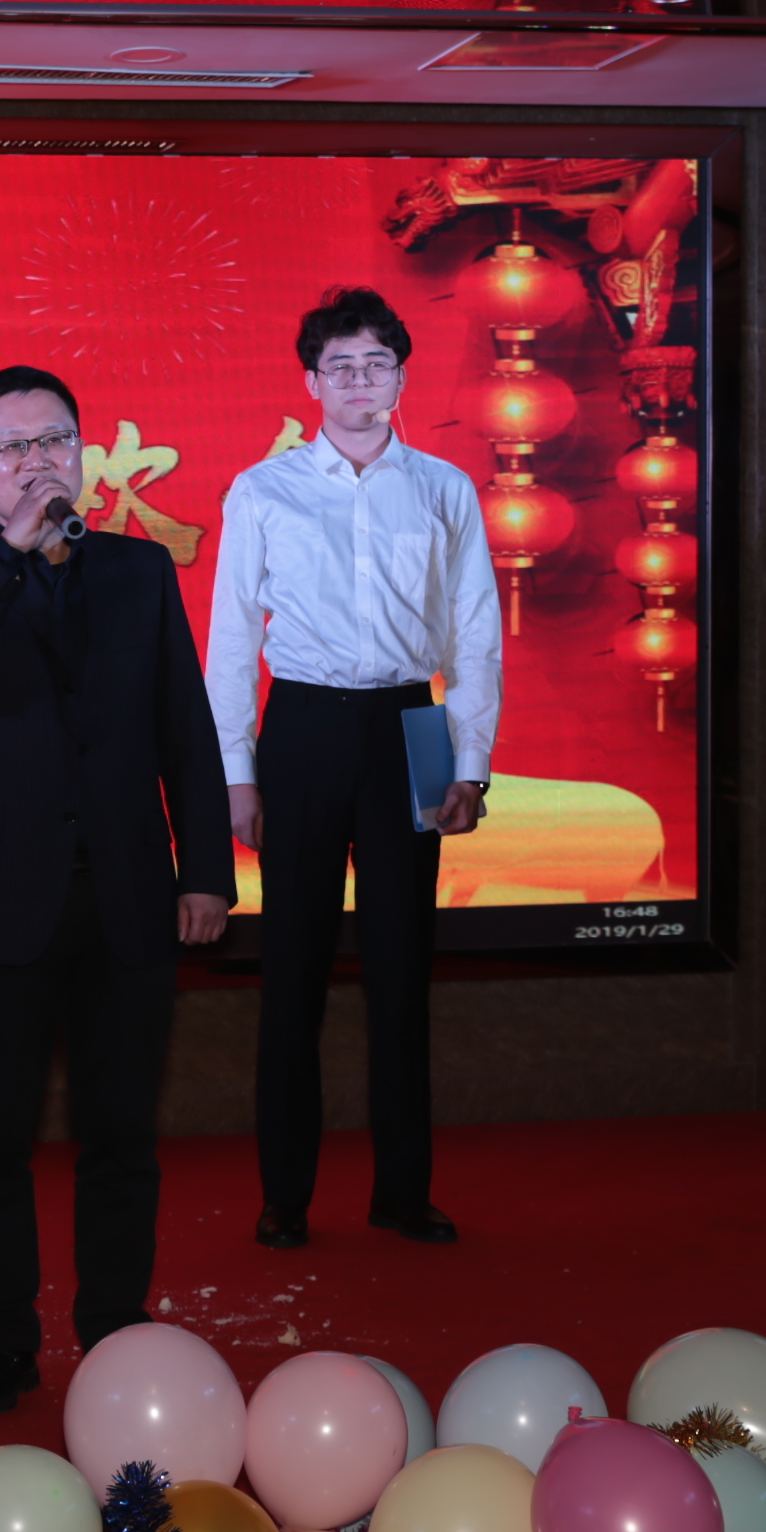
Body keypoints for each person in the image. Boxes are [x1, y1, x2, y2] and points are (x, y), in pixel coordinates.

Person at [0, 365, 237, 1417]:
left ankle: (115, 1331)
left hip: (126, 893)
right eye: (14, 447)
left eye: (55, 441)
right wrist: (10, 551)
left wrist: (207, 869)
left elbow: (184, 724)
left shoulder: (139, 570)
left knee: (121, 1134)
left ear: (83, 452)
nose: (38, 462)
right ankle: (3, 1342)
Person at [203, 287, 502, 1252]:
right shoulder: (264, 489)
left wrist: (470, 761)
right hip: (301, 723)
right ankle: (285, 1194)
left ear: (401, 377)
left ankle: (402, 1192)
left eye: (378, 365)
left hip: (413, 722)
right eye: (341, 367)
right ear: (312, 382)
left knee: (402, 967)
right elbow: (231, 636)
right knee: (292, 964)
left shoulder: (445, 489)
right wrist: (235, 771)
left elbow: (477, 631)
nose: (360, 382)